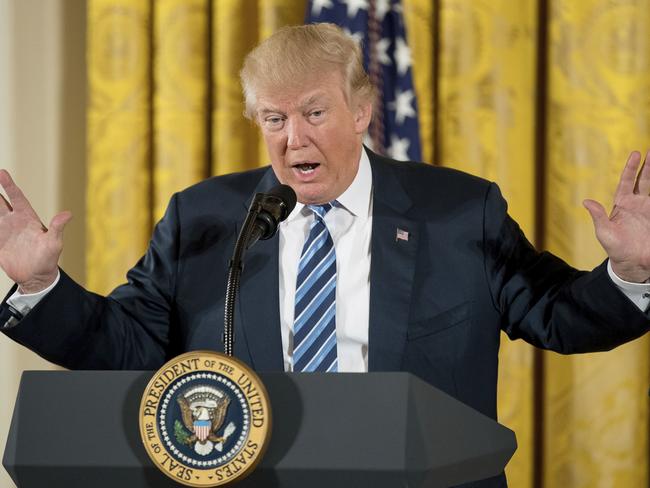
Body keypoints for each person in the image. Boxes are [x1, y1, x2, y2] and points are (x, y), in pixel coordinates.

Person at [0, 23, 648, 487]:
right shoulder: (202, 218)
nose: (293, 139)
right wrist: (43, 286)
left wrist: (630, 272)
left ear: (363, 111)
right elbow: (131, 344)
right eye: (274, 119)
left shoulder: (458, 213)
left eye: (314, 112)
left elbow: (558, 314)